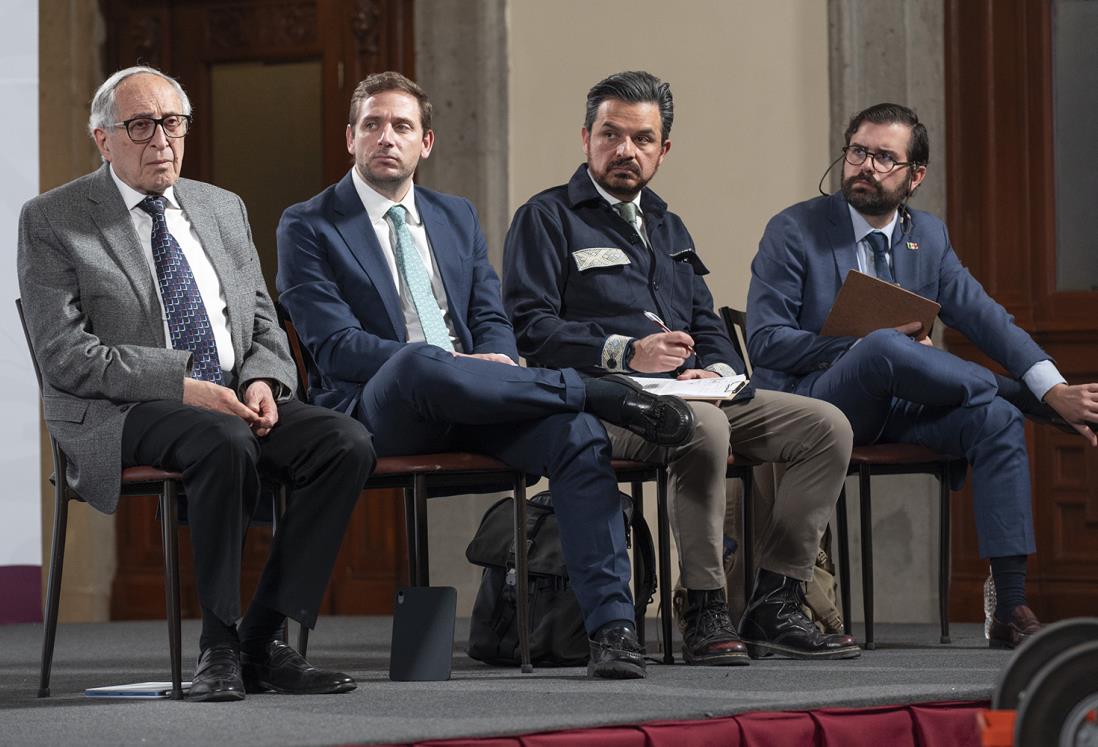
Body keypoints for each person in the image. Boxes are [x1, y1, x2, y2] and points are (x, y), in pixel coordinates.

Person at [276, 71, 698, 680]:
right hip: (382, 410)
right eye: (372, 125)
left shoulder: (454, 215)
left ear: (427, 142)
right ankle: (600, 390)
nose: (386, 137)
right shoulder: (310, 223)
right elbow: (336, 347)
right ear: (350, 138)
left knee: (577, 433)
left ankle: (612, 630)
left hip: (480, 399)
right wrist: (452, 365)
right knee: (421, 359)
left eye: (402, 126)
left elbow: (491, 318)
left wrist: (496, 360)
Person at [17, 67, 375, 702]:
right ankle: (218, 646)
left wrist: (266, 380)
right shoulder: (54, 218)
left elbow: (263, 319)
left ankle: (261, 641)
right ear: (103, 139)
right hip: (118, 410)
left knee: (344, 441)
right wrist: (183, 386)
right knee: (221, 439)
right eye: (141, 126)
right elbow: (65, 356)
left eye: (173, 124)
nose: (162, 140)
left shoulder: (220, 206)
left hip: (232, 396)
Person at [502, 70, 859, 664]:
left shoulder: (668, 225)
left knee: (827, 427)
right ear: (584, 138)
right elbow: (530, 329)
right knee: (703, 428)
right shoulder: (546, 218)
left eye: (642, 139)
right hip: (607, 397)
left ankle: (777, 596)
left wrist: (717, 370)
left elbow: (706, 321)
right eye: (611, 135)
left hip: (693, 395)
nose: (626, 151)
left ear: (662, 150)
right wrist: (626, 351)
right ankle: (705, 606)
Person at [746, 102, 1098, 649]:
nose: (866, 166)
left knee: (996, 418)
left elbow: (986, 318)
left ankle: (1010, 606)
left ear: (915, 175)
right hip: (816, 406)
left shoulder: (927, 236)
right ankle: (1037, 405)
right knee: (886, 345)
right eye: (858, 151)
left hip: (900, 406)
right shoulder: (795, 230)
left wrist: (1050, 379)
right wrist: (857, 346)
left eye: (885, 158)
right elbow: (765, 341)